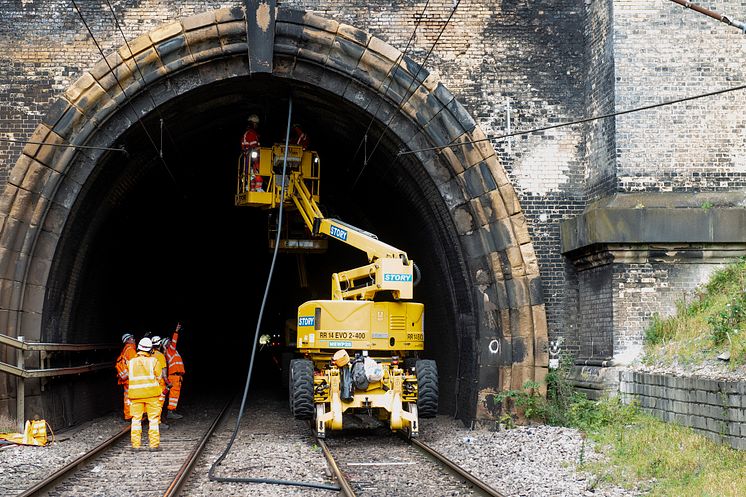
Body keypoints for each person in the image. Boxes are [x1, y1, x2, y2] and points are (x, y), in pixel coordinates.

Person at [128, 337, 165, 449]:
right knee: (153, 420)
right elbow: (159, 377)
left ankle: (135, 445)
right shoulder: (154, 361)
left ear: (139, 348)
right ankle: (154, 445)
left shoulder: (131, 362)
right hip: (152, 396)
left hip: (135, 396)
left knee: (136, 420)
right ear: (150, 350)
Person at [161, 323, 186, 420]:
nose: (170, 342)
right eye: (168, 342)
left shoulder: (172, 352)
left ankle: (170, 411)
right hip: (174, 376)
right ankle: (170, 411)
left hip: (176, 376)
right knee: (173, 395)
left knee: (174, 395)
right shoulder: (169, 350)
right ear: (165, 345)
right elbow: (174, 341)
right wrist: (176, 331)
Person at [115, 333, 137, 421]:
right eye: (132, 338)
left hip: (126, 378)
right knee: (132, 397)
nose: (134, 339)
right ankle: (131, 415)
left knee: (127, 397)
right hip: (130, 378)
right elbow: (135, 365)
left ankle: (128, 415)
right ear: (128, 340)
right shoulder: (131, 350)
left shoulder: (125, 350)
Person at [241, 114, 263, 192]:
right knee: (256, 173)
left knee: (252, 174)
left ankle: (252, 188)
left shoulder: (251, 133)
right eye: (255, 123)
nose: (256, 125)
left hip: (251, 157)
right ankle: (256, 188)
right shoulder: (251, 133)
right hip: (251, 157)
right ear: (252, 123)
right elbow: (253, 146)